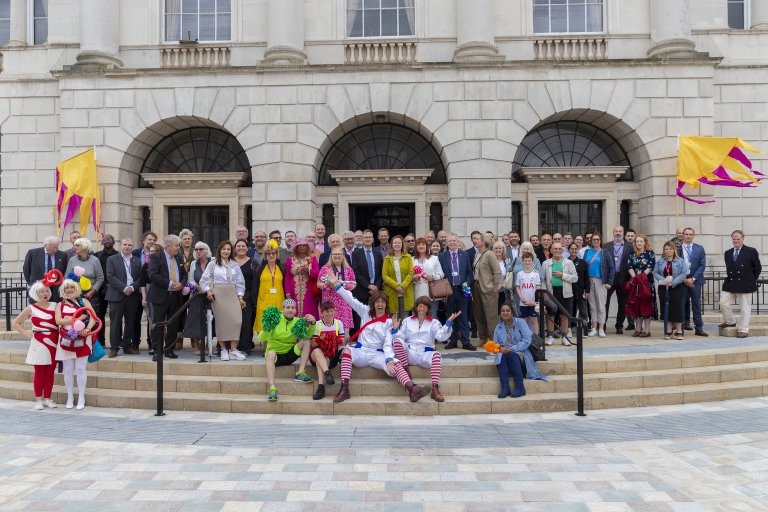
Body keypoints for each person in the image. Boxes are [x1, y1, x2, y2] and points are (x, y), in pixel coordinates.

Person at [327, 274, 432, 403]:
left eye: (383, 302)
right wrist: (336, 286)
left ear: (386, 305)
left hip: (378, 355)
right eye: (377, 301)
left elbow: (388, 344)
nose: (380, 304)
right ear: (373, 304)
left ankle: (412, 389)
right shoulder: (365, 312)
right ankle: (344, 389)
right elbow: (350, 299)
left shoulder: (389, 322)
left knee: (395, 363)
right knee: (347, 351)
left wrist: (388, 359)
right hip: (361, 352)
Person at [393, 296, 460, 402]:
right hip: (410, 354)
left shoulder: (434, 322)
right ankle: (406, 369)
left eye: (424, 307)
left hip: (425, 355)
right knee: (397, 341)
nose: (422, 309)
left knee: (437, 355)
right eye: (420, 306)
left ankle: (435, 389)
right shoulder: (407, 321)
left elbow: (441, 336)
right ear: (416, 307)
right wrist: (395, 329)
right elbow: (400, 337)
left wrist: (447, 323)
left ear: (428, 309)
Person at [258, 299, 316, 401]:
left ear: (295, 310)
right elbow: (261, 339)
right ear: (283, 309)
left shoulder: (298, 321)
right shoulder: (274, 319)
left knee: (306, 341)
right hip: (274, 356)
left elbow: (307, 335)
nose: (290, 310)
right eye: (288, 307)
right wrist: (267, 326)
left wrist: (313, 324)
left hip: (289, 355)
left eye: (293, 308)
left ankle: (300, 373)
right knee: (271, 353)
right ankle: (272, 387)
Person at [13, 282, 59, 410]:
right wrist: (27, 334)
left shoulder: (56, 306)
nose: (45, 293)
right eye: (42, 291)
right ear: (35, 293)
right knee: (39, 372)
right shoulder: (30, 308)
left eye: (47, 291)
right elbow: (16, 323)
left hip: (54, 341)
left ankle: (47, 399)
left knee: (50, 372)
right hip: (38, 342)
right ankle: (38, 400)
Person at [200, 240, 247, 361]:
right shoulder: (213, 263)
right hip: (218, 295)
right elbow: (204, 280)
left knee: (237, 321)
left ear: (231, 251)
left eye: (228, 249)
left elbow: (240, 281)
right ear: (219, 250)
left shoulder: (235, 264)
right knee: (221, 323)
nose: (226, 251)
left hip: (232, 293)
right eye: (223, 249)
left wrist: (240, 297)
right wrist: (208, 291)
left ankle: (233, 350)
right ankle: (223, 350)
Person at [55, 278, 97, 409]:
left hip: (83, 339)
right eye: (67, 288)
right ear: (63, 290)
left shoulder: (84, 302)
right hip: (66, 340)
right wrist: (77, 319)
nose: (69, 290)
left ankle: (81, 397)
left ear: (76, 288)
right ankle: (69, 397)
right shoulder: (59, 305)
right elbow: (59, 321)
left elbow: (93, 317)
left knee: (80, 369)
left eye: (71, 287)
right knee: (68, 370)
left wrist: (88, 329)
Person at [494, 302, 550, 398]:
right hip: (506, 357)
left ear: (512, 313)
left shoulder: (520, 322)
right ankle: (505, 387)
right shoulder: (498, 327)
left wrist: (511, 349)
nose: (505, 313)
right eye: (502, 311)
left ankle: (520, 386)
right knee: (500, 355)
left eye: (508, 310)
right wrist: (500, 349)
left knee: (511, 354)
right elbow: (495, 345)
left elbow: (527, 340)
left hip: (522, 354)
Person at [148, 235, 188, 361]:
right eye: (176, 245)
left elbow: (184, 275)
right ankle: (156, 350)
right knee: (158, 323)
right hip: (161, 296)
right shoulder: (155, 257)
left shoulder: (178, 257)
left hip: (175, 297)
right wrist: (170, 284)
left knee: (173, 324)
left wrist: (181, 283)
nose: (178, 248)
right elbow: (153, 275)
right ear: (168, 246)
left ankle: (169, 349)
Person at [720, 230, 762, 338]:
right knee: (723, 303)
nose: (736, 241)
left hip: (745, 283)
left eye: (738, 239)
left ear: (743, 239)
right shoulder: (728, 252)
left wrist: (751, 279)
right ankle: (730, 321)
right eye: (734, 239)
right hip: (730, 283)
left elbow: (757, 267)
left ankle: (743, 330)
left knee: (745, 308)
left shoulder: (751, 251)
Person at [437, 233, 475, 350]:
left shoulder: (464, 254)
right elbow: (440, 275)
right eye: (450, 241)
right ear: (447, 243)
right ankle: (453, 340)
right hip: (449, 291)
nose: (452, 243)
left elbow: (469, 272)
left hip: (462, 290)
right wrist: (443, 292)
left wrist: (466, 286)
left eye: (454, 240)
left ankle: (465, 341)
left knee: (463, 316)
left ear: (457, 242)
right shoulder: (442, 256)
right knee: (450, 316)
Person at [105, 238, 141, 358]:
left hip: (132, 295)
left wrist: (132, 288)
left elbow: (141, 278)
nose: (127, 247)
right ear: (120, 246)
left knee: (130, 322)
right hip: (117, 295)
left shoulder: (137, 261)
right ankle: (114, 348)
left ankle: (127, 346)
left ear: (132, 247)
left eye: (129, 245)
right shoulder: (112, 259)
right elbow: (110, 276)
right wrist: (124, 288)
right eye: (125, 245)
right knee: (115, 323)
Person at [541, 242, 578, 346]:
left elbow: (575, 278)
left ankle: (565, 337)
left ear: (562, 251)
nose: (557, 251)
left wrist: (562, 275)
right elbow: (542, 279)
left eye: (559, 249)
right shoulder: (545, 263)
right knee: (550, 315)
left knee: (564, 315)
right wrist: (544, 291)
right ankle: (550, 336)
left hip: (565, 293)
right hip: (550, 292)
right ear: (551, 250)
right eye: (555, 249)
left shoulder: (569, 263)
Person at [309, 301, 345, 400]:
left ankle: (321, 388)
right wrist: (320, 338)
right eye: (327, 311)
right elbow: (313, 344)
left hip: (331, 356)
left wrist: (335, 338)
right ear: (322, 313)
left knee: (320, 361)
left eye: (331, 311)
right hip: (317, 354)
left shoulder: (339, 323)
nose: (329, 313)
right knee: (317, 352)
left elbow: (342, 342)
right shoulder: (317, 324)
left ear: (334, 311)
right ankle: (328, 374)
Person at [350, 229, 384, 336]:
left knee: (375, 315)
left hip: (376, 292)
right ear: (362, 239)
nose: (368, 239)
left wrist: (376, 287)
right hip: (361, 291)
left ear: (373, 239)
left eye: (369, 237)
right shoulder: (356, 253)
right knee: (360, 317)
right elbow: (355, 271)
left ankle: (374, 337)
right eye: (365, 237)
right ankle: (360, 337)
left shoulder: (378, 254)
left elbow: (381, 272)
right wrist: (368, 285)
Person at [471, 234, 502, 344]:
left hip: (488, 288)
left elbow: (497, 271)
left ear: (483, 241)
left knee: (491, 315)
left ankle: (493, 339)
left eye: (477, 239)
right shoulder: (476, 255)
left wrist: (495, 286)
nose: (475, 241)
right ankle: (483, 337)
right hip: (476, 286)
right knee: (479, 314)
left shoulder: (490, 254)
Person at [654, 242, 688, 340]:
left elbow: (683, 273)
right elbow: (655, 272)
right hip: (663, 287)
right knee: (666, 309)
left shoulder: (680, 261)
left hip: (676, 287)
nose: (668, 251)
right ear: (664, 251)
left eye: (670, 249)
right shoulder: (660, 261)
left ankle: (679, 330)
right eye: (666, 249)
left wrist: (672, 282)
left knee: (676, 308)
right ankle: (668, 330)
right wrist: (665, 280)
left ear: (674, 250)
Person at [65, 238, 104, 322]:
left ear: (85, 246)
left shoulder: (95, 260)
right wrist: (73, 292)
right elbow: (66, 277)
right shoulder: (72, 260)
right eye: (74, 245)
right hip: (74, 295)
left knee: (91, 319)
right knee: (77, 318)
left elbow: (100, 278)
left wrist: (93, 291)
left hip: (91, 295)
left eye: (77, 245)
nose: (74, 247)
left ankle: (91, 334)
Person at [183, 242, 211, 356]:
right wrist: (196, 286)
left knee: (210, 320)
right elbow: (191, 280)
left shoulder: (213, 262)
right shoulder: (194, 263)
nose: (198, 251)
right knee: (196, 320)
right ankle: (196, 346)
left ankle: (207, 346)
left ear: (207, 250)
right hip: (197, 296)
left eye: (201, 249)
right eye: (196, 249)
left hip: (210, 295)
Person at [585, 232, 615, 338]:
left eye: (598, 239)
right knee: (592, 306)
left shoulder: (605, 252)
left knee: (601, 306)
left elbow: (612, 268)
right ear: (591, 241)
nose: (596, 241)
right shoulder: (587, 252)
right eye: (594, 239)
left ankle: (601, 329)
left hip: (600, 281)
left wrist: (610, 282)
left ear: (600, 241)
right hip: (589, 281)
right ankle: (594, 328)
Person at [318, 247, 356, 330]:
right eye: (335, 254)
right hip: (330, 300)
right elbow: (318, 283)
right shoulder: (325, 268)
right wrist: (327, 286)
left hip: (344, 301)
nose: (337, 256)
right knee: (329, 326)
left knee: (343, 329)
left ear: (343, 256)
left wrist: (344, 285)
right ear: (331, 256)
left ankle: (342, 341)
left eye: (339, 254)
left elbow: (354, 284)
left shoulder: (348, 269)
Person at [131, 230, 157, 349]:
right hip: (136, 289)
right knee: (136, 317)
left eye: (153, 240)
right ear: (143, 241)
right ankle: (135, 342)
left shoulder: (156, 255)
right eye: (149, 239)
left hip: (150, 289)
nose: (151, 242)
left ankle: (151, 343)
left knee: (150, 317)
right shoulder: (135, 253)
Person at [627, 234, 657, 338]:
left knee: (646, 304)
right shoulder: (632, 253)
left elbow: (650, 267)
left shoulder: (650, 253)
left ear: (645, 242)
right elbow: (629, 266)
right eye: (637, 241)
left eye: (641, 241)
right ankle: (638, 329)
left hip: (646, 282)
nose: (639, 243)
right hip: (635, 282)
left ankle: (647, 330)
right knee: (636, 305)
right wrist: (635, 278)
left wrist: (641, 278)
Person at [23, 235, 69, 303]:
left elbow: (63, 271)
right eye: (52, 248)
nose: (55, 250)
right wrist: (32, 284)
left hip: (55, 292)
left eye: (56, 247)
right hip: (39, 290)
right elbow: (27, 270)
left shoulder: (63, 255)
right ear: (45, 245)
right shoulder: (33, 253)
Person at [252, 242, 286, 333]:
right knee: (265, 328)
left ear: (277, 254)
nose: (271, 255)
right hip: (264, 302)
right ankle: (266, 347)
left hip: (279, 302)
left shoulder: (281, 269)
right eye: (268, 253)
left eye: (273, 253)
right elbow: (255, 285)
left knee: (278, 327)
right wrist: (254, 301)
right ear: (265, 255)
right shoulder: (260, 269)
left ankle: (277, 347)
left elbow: (285, 285)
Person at [605, 226, 633, 334]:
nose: (618, 233)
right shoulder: (606, 246)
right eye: (616, 231)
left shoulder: (629, 246)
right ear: (613, 233)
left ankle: (619, 325)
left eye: (620, 231)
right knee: (605, 303)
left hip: (623, 278)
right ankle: (603, 325)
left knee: (622, 304)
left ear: (623, 233)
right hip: (609, 279)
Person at [679, 228, 707, 336]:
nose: (688, 236)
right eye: (686, 234)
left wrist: (693, 278)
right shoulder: (678, 248)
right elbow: (675, 264)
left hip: (695, 281)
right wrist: (684, 279)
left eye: (690, 234)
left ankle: (698, 327)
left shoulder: (699, 248)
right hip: (681, 280)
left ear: (693, 235)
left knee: (696, 304)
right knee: (681, 304)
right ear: (683, 235)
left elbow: (702, 265)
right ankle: (680, 327)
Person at [285, 237, 319, 318]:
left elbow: (317, 274)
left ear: (308, 247)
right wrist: (287, 294)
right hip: (294, 291)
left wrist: (308, 270)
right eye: (300, 245)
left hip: (309, 292)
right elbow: (287, 277)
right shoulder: (289, 260)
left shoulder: (312, 259)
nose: (302, 247)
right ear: (296, 247)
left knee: (309, 312)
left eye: (304, 245)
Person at [139, 243, 163, 355]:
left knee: (162, 321)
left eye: (154, 251)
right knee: (151, 321)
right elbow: (142, 283)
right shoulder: (146, 265)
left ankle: (162, 345)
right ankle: (154, 346)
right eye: (150, 251)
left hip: (161, 293)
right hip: (149, 294)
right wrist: (144, 297)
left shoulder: (164, 264)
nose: (151, 253)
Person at [382, 235, 414, 316]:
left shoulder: (408, 257)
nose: (397, 244)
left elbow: (410, 273)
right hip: (392, 293)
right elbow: (384, 275)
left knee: (404, 320)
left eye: (399, 243)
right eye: (395, 243)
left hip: (405, 292)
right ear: (391, 245)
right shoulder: (387, 258)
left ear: (402, 244)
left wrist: (402, 286)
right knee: (393, 320)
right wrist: (397, 286)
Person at [234, 239, 256, 354]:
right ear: (235, 248)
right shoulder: (230, 262)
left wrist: (253, 298)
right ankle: (230, 347)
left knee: (246, 324)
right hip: (231, 296)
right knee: (232, 322)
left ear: (247, 248)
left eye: (243, 246)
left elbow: (255, 281)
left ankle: (245, 348)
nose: (241, 248)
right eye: (238, 246)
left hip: (248, 296)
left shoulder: (253, 262)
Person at [94, 234, 116, 346]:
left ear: (114, 242)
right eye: (105, 240)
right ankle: (101, 340)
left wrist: (110, 286)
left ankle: (117, 340)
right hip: (100, 290)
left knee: (115, 316)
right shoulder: (97, 256)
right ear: (102, 242)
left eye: (110, 240)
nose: (107, 242)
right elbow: (95, 273)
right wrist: (104, 286)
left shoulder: (118, 255)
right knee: (100, 315)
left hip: (115, 290)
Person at [512, 242, 543, 315]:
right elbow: (508, 271)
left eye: (527, 249)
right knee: (521, 312)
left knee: (533, 313)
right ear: (521, 249)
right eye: (524, 248)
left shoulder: (536, 260)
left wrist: (537, 273)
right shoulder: (516, 259)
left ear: (531, 250)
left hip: (532, 290)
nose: (525, 250)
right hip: (519, 290)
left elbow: (541, 276)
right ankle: (523, 326)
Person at [412, 237, 444, 303]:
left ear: (427, 246)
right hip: (417, 292)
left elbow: (441, 274)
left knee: (432, 313)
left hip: (431, 292)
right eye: (418, 245)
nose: (421, 246)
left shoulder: (434, 258)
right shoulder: (411, 259)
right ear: (416, 247)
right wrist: (413, 278)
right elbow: (408, 275)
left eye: (423, 244)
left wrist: (433, 276)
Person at [567, 243, 589, 337]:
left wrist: (587, 290)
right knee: (569, 310)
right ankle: (570, 329)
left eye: (575, 249)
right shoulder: (565, 261)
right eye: (572, 249)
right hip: (569, 289)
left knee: (583, 311)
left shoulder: (582, 262)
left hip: (580, 290)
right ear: (568, 250)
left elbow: (586, 278)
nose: (574, 251)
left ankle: (584, 330)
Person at [515, 252, 540, 334]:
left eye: (529, 261)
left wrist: (533, 299)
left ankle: (536, 338)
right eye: (525, 260)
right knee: (524, 321)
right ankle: (525, 337)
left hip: (534, 302)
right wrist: (520, 297)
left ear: (533, 262)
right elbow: (517, 287)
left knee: (534, 320)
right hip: (524, 302)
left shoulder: (536, 274)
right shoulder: (519, 274)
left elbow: (538, 288)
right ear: (522, 261)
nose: (527, 262)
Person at [428, 240, 447, 322]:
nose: (435, 248)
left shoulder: (443, 258)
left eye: (437, 246)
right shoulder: (427, 258)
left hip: (441, 288)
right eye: (434, 246)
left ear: (440, 248)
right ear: (430, 247)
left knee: (442, 312)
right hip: (431, 289)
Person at [493, 241, 510, 313]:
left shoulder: (507, 261)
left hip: (503, 291)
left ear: (503, 249)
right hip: (491, 290)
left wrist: (500, 287)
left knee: (502, 310)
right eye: (496, 248)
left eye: (500, 248)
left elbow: (508, 275)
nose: (498, 250)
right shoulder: (491, 261)